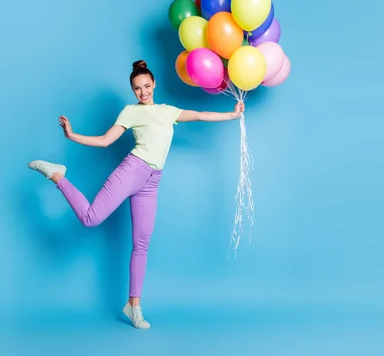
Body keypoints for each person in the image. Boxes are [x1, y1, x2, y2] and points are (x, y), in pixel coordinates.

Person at [28, 60, 245, 329]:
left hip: (152, 181)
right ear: (132, 91)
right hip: (132, 170)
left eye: (146, 86)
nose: (142, 92)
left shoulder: (168, 112)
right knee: (90, 218)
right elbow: (106, 140)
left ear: (154, 84)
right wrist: (72, 136)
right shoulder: (130, 112)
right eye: (136, 89)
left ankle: (134, 306)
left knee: (141, 245)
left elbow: (200, 114)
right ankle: (57, 175)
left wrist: (232, 115)